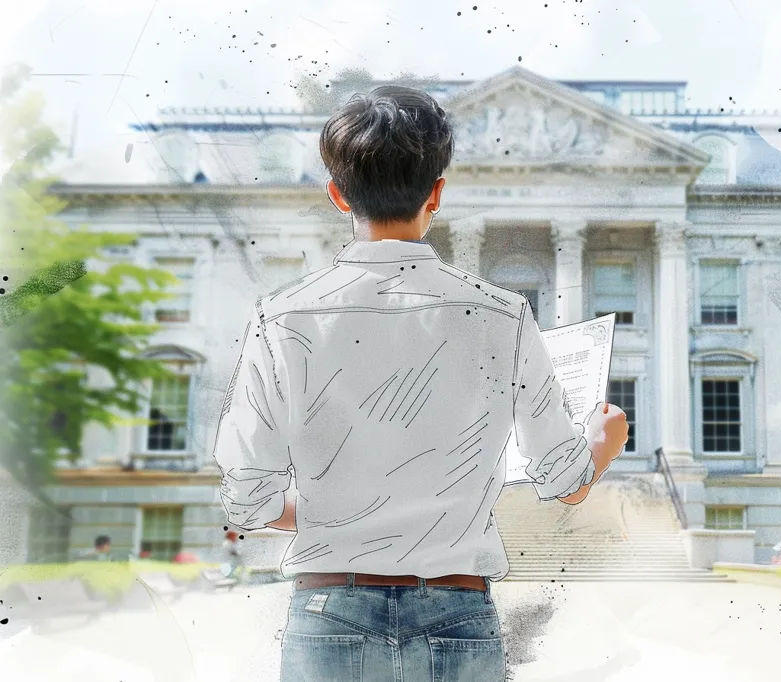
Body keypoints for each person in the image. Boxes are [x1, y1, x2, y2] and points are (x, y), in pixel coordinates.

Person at [212, 85, 630, 682]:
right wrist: (605, 441)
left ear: (337, 196)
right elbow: (565, 482)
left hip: (330, 612)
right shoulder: (505, 315)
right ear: (437, 192)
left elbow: (247, 500)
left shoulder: (281, 317)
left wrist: (352, 511)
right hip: (458, 614)